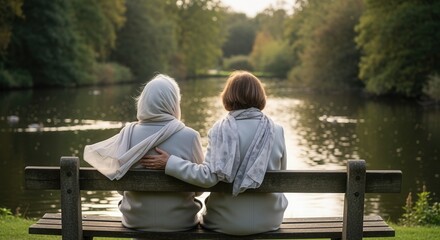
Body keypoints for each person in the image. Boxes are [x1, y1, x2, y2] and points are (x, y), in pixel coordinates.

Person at [141, 71, 288, 236]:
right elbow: (281, 178)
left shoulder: (221, 130)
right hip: (268, 221)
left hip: (224, 220)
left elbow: (207, 177)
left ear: (228, 97)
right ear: (260, 96)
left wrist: (170, 163)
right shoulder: (277, 131)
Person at [83, 74, 204, 232]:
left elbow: (120, 186)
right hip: (180, 221)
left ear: (143, 101)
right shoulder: (190, 136)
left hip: (136, 220)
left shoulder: (127, 134)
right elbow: (199, 189)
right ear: (174, 102)